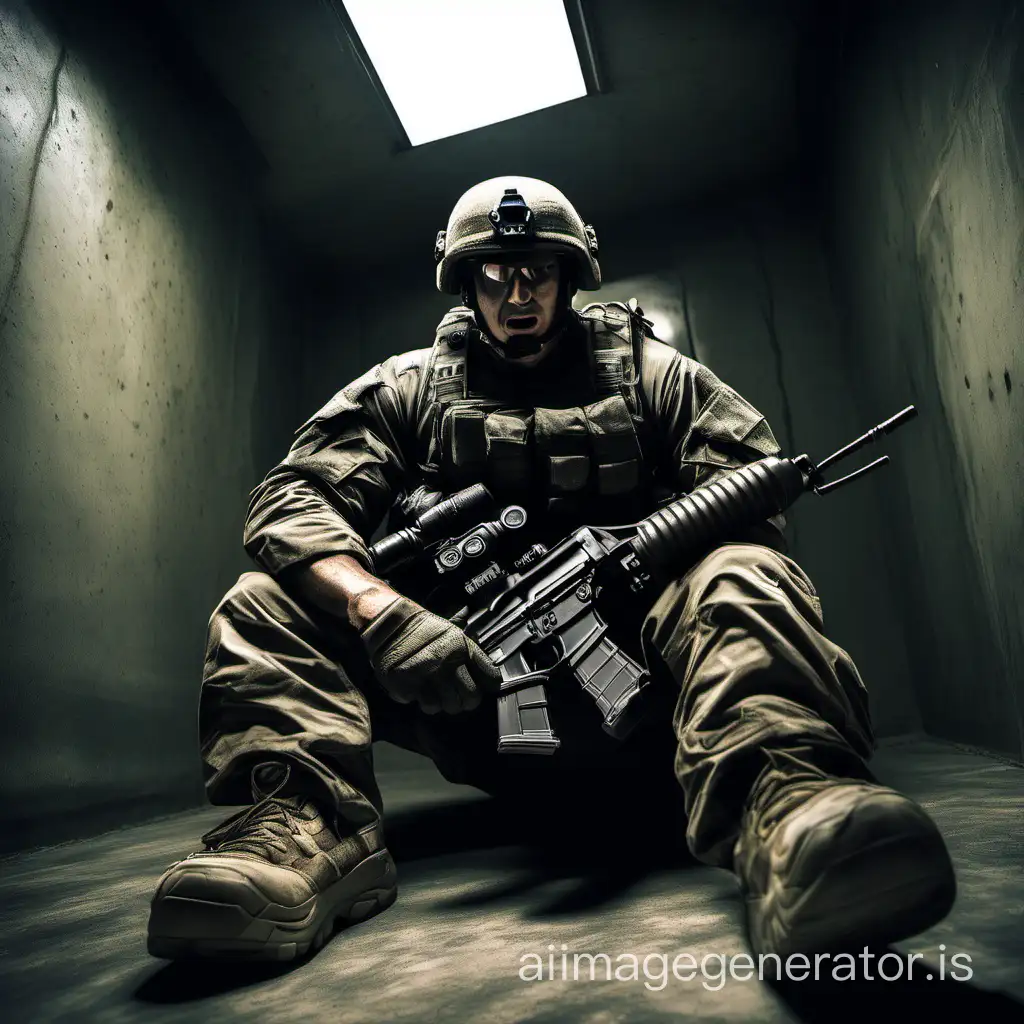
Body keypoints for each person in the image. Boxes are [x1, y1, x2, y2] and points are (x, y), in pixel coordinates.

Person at [147, 177, 956, 964]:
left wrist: (640, 566)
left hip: (648, 704)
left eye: (538, 270)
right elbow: (292, 497)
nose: (517, 293)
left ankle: (787, 801)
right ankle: (303, 826)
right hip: (465, 684)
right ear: (467, 283)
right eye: (494, 275)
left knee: (742, 568)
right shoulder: (410, 388)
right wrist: (378, 610)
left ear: (571, 275)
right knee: (262, 602)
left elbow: (745, 478)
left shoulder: (647, 373)